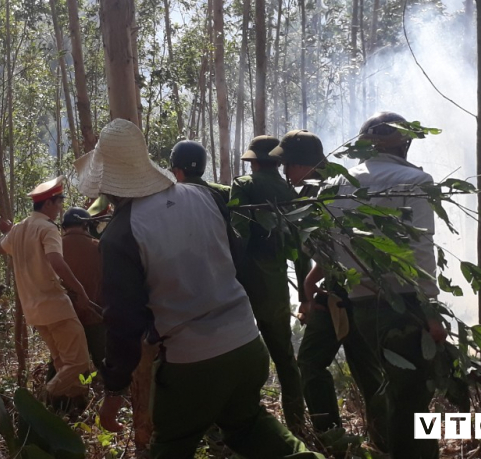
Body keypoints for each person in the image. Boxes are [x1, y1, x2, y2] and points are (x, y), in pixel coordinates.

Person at [82, 119, 323, 459]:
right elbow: (238, 257)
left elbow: (123, 321)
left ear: (107, 185)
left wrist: (114, 391)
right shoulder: (204, 195)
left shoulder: (121, 234)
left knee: (171, 445)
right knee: (250, 426)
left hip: (193, 362)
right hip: (246, 345)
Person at [302, 112, 445, 459]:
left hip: (361, 304)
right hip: (404, 302)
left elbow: (318, 246)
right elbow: (421, 249)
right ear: (404, 143)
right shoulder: (415, 179)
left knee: (389, 389)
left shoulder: (336, 185)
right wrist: (431, 309)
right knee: (410, 397)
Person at [268, 129, 345, 433]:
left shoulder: (325, 192)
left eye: (288, 165)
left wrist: (310, 286)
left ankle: (334, 436)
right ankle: (335, 437)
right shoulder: (334, 186)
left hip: (347, 291)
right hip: (339, 289)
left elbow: (335, 251)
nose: (286, 173)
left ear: (303, 164)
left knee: (313, 363)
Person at [0, 176, 96, 403]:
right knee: (79, 363)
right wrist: (80, 291)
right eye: (59, 203)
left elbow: (1, 247)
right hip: (55, 306)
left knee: (62, 361)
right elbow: (55, 261)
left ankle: (65, 410)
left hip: (35, 311)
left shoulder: (20, 229)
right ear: (49, 203)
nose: (60, 208)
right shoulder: (47, 228)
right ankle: (42, 398)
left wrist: (11, 232)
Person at [230, 135, 305, 431]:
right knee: (286, 359)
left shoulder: (245, 186)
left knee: (241, 361)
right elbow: (301, 251)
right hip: (276, 289)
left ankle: (245, 428)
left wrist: (230, 277)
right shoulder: (290, 192)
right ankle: (297, 424)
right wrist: (306, 296)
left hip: (245, 289)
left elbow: (239, 235)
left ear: (256, 162)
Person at [60, 207, 107, 371]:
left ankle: (64, 395)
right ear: (87, 226)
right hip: (96, 318)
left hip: (65, 320)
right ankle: (107, 394)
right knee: (103, 365)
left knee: (66, 366)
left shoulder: (54, 249)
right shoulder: (99, 247)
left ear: (64, 227)